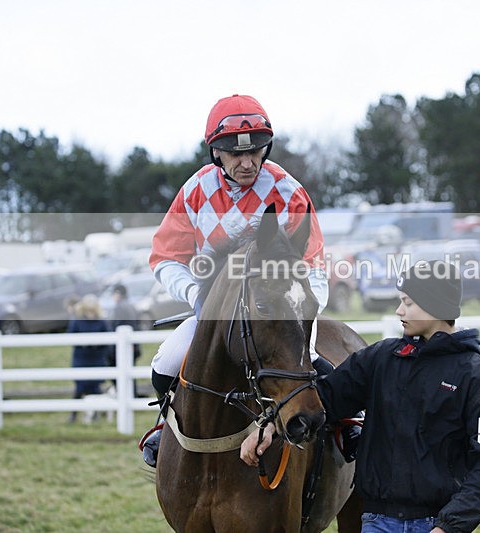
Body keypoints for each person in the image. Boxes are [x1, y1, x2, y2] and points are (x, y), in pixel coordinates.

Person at [241, 260, 480, 533]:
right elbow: (326, 398)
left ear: (435, 306)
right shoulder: (380, 359)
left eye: (408, 303)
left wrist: (448, 527)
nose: (399, 310)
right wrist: (270, 427)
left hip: (436, 525)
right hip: (376, 523)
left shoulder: (479, 381)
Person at [140, 94, 330, 467]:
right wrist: (196, 295)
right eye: (235, 154)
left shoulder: (288, 191)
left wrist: (300, 309)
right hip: (216, 311)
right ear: (216, 153)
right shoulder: (196, 190)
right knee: (165, 364)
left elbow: (314, 263)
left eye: (255, 152)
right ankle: (167, 426)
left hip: (278, 310)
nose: (247, 163)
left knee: (317, 365)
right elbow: (165, 257)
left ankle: (344, 430)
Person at [67, 294, 113, 423]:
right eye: (88, 311)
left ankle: (95, 414)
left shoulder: (102, 322)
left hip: (97, 359)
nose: (91, 314)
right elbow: (71, 338)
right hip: (81, 359)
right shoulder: (77, 321)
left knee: (95, 388)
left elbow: (108, 339)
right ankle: (73, 415)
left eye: (92, 311)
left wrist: (98, 344)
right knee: (80, 388)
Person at [108, 283, 143, 396]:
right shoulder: (131, 306)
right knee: (129, 372)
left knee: (120, 371)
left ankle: (126, 394)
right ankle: (131, 394)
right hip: (133, 345)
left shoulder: (120, 307)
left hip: (123, 346)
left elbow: (115, 326)